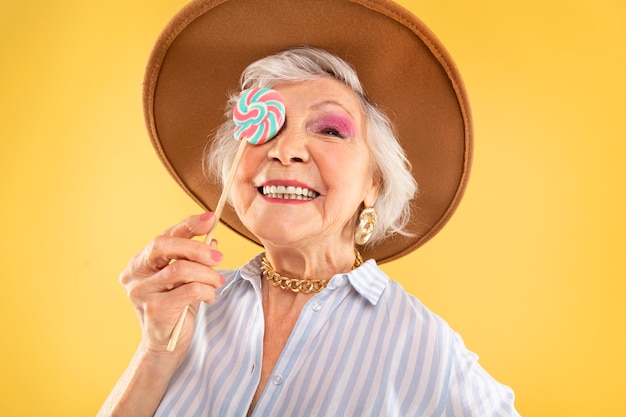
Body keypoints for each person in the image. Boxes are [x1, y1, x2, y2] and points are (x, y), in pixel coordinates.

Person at [98, 1, 520, 416]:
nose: (285, 150)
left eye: (331, 130)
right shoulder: (191, 306)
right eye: (268, 126)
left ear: (374, 184)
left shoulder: (426, 348)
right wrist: (156, 350)